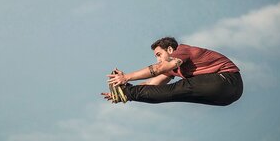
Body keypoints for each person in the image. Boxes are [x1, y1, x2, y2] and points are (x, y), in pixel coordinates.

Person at [103, 37, 243, 106]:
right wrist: (123, 95)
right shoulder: (173, 68)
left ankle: (128, 91)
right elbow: (153, 84)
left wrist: (126, 77)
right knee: (169, 94)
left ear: (170, 49)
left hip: (228, 80)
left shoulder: (181, 50)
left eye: (159, 55)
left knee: (179, 88)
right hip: (227, 97)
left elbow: (158, 69)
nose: (158, 60)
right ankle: (127, 93)